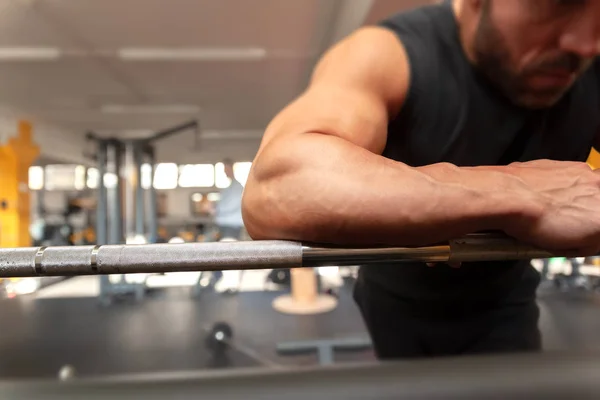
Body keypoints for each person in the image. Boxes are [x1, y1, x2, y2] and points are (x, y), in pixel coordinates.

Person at [241, 0, 600, 360]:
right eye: (557, 4)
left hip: (506, 294)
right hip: (393, 298)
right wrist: (520, 192)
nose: (585, 45)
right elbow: (279, 186)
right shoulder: (388, 54)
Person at [214, 158, 245, 241]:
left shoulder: (237, 188)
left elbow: (231, 206)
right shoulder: (229, 188)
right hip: (226, 224)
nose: (224, 172)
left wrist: (214, 209)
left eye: (226, 169)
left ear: (231, 168)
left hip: (231, 225)